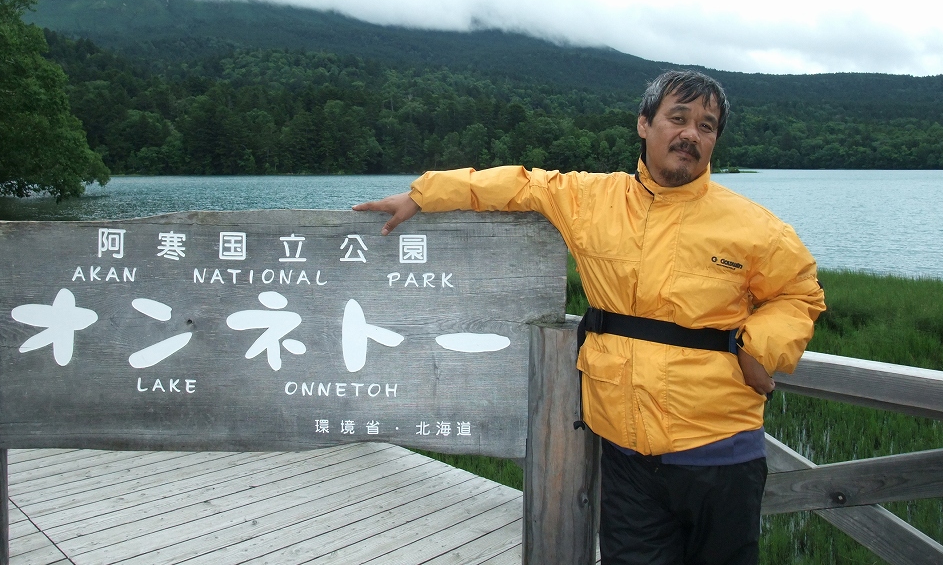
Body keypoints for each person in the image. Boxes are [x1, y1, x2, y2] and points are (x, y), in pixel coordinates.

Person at [354, 70, 825, 565]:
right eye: (678, 118)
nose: (690, 134)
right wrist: (422, 195)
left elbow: (799, 294)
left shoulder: (755, 226)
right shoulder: (589, 198)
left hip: (720, 451)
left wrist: (759, 349)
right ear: (645, 124)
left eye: (706, 126)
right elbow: (517, 186)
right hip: (624, 454)